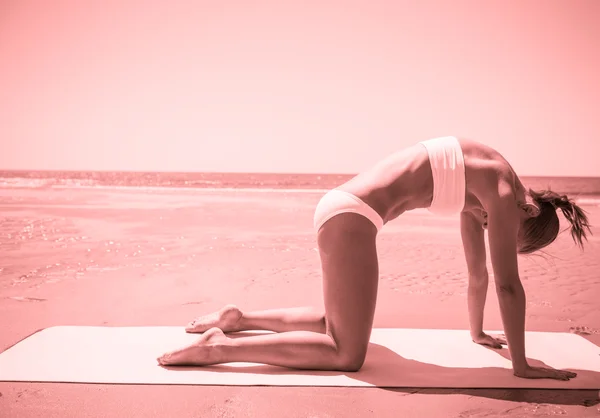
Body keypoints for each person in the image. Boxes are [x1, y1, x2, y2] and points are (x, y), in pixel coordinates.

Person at [157, 136, 591, 381]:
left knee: (337, 323)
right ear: (528, 210)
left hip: (344, 210)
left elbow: (478, 274)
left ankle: (240, 317)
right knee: (347, 353)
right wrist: (522, 365)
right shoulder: (499, 189)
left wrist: (478, 333)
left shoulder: (484, 178)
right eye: (503, 234)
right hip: (351, 217)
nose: (487, 230)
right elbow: (507, 283)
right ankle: (220, 346)